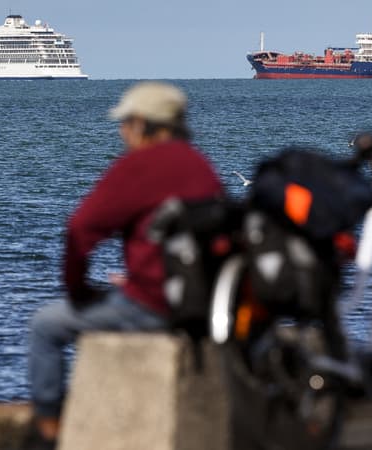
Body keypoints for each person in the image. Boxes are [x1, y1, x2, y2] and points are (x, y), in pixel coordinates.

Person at [25, 81, 224, 447]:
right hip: (204, 305)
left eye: (126, 123)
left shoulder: (138, 166)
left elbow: (80, 229)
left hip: (154, 306)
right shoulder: (201, 165)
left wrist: (79, 291)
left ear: (144, 125)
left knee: (46, 325)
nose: (122, 132)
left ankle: (48, 430)